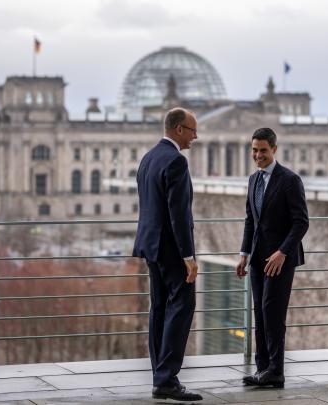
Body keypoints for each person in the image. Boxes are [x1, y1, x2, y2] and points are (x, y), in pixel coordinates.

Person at [132, 108, 203, 402]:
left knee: (159, 308)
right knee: (183, 303)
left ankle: (159, 377)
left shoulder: (148, 158)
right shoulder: (176, 161)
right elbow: (178, 214)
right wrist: (188, 256)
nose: (195, 137)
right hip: (171, 248)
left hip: (151, 246)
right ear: (177, 129)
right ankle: (168, 379)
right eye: (192, 130)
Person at [235, 127, 309, 388]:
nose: (258, 155)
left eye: (263, 150)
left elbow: (301, 222)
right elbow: (250, 221)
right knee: (259, 312)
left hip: (280, 260)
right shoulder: (253, 180)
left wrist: (283, 251)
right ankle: (262, 368)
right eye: (254, 150)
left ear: (274, 149)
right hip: (257, 259)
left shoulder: (289, 180)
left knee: (272, 312)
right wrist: (244, 254)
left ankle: (276, 370)